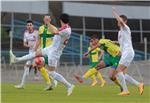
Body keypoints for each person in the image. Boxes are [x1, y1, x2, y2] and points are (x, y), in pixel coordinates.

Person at [10, 13, 75, 96]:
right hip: (51, 48)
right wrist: (48, 23)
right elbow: (55, 32)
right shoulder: (65, 27)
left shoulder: (66, 30)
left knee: (51, 72)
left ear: (60, 20)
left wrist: (47, 23)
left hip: (54, 53)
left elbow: (54, 31)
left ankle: (69, 86)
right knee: (35, 54)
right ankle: (16, 59)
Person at [112, 6, 144, 96]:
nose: (118, 21)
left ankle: (125, 90)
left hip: (128, 52)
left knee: (118, 71)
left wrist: (114, 12)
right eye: (118, 20)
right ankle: (139, 85)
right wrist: (114, 43)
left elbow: (121, 22)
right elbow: (122, 42)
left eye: (120, 20)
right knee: (122, 73)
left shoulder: (126, 28)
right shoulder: (120, 32)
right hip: (125, 53)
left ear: (125, 22)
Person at [34, 15, 58, 90]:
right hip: (42, 50)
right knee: (39, 65)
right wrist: (35, 48)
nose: (47, 20)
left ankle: (52, 80)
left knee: (46, 68)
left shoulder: (53, 28)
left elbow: (58, 40)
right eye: (45, 19)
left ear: (50, 20)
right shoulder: (40, 28)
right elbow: (38, 39)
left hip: (50, 52)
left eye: (48, 19)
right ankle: (49, 82)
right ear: (43, 20)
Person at [14, 20, 39, 89]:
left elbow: (40, 42)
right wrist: (29, 46)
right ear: (26, 26)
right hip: (30, 53)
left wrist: (36, 48)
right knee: (27, 68)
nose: (29, 26)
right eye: (28, 25)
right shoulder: (26, 33)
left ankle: (17, 59)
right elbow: (24, 44)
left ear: (33, 26)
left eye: (30, 25)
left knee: (32, 66)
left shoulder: (37, 33)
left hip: (37, 52)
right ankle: (22, 84)